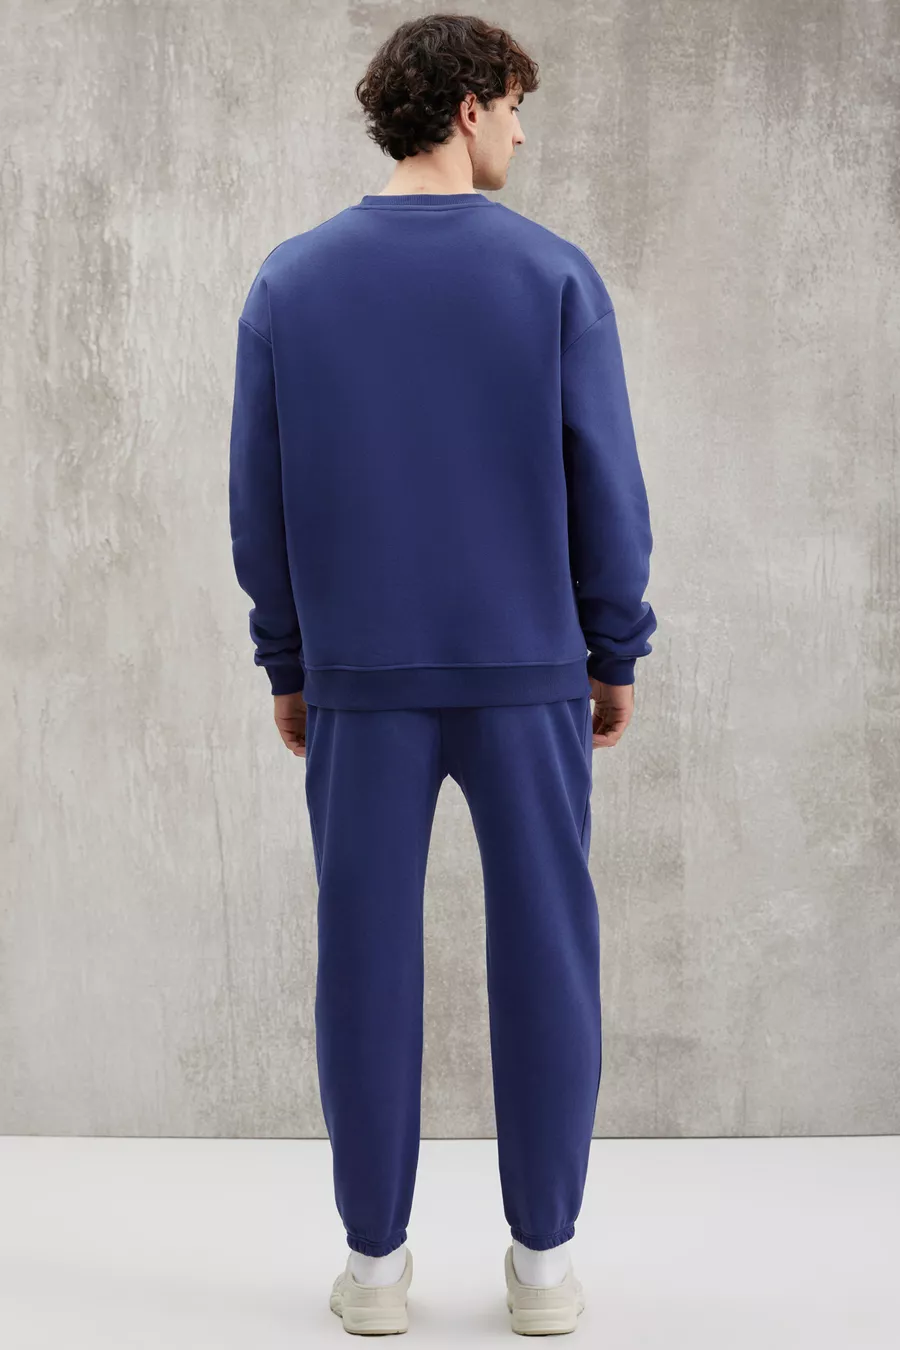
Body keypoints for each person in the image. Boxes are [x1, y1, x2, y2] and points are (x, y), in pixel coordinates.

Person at [228, 12, 656, 1337]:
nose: (522, 132)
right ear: (470, 107)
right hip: (531, 669)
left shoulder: (292, 282)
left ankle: (374, 1270)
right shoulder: (553, 275)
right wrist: (613, 644)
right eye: (517, 107)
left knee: (363, 959)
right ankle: (543, 1268)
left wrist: (289, 657)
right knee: (548, 956)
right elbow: (606, 484)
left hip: (359, 676)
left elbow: (258, 498)